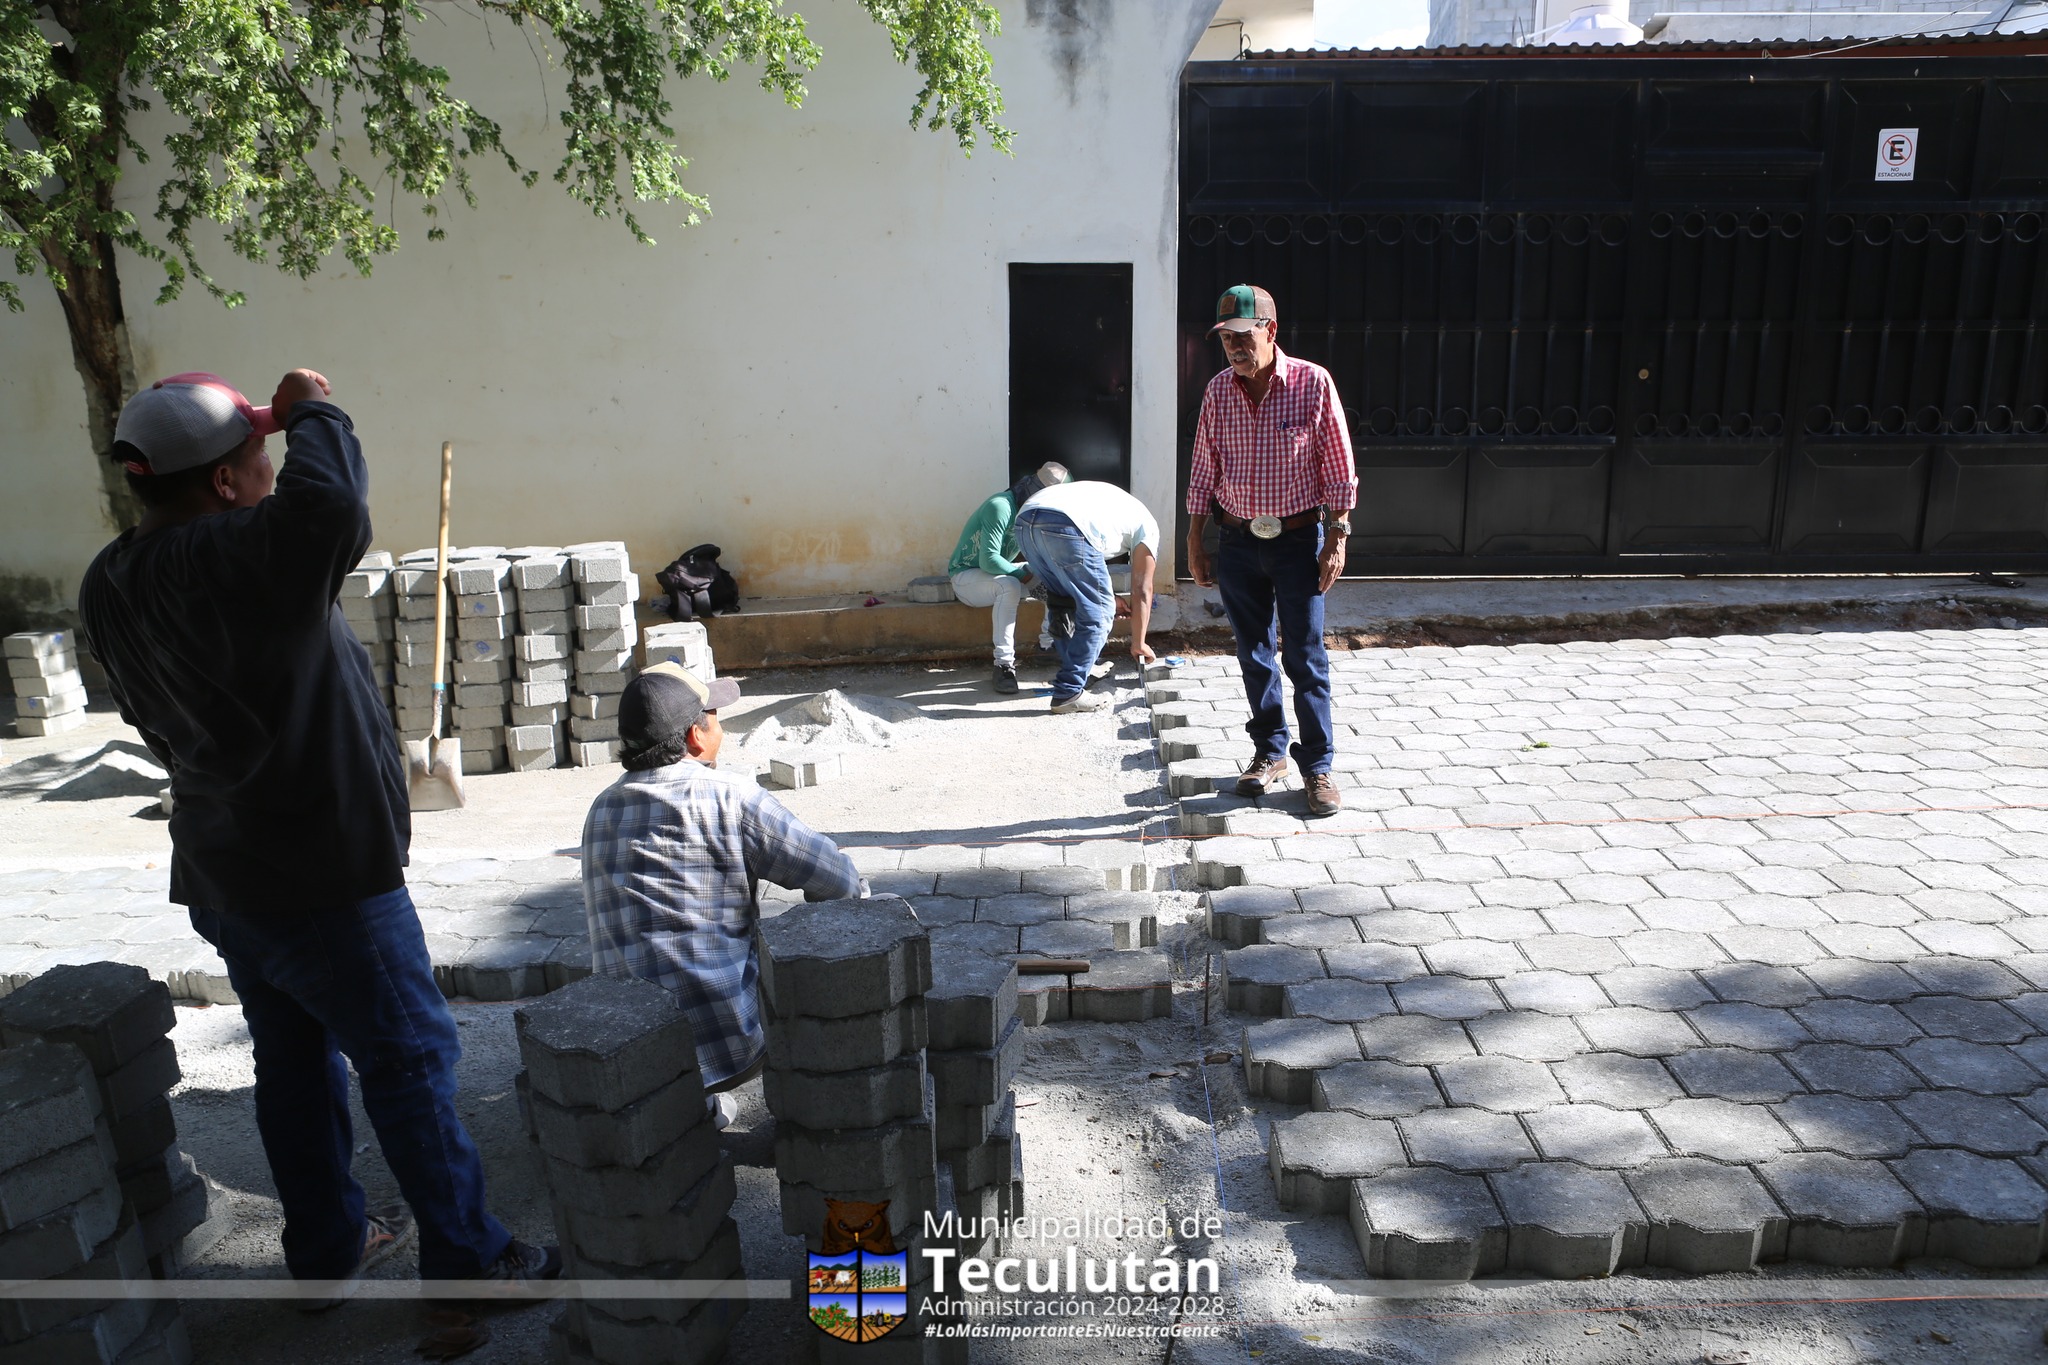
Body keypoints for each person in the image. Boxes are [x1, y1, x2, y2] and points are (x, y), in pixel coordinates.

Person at [76, 370, 554, 1297]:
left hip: (224, 869)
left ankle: (328, 1247)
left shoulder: (110, 578)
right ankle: (469, 1257)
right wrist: (314, 407)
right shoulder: (244, 553)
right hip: (323, 879)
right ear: (224, 482)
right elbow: (331, 502)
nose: (271, 468)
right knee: (408, 1058)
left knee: (293, 1062)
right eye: (260, 452)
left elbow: (146, 715)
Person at [581, 664, 864, 1127]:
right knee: (843, 930)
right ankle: (827, 1100)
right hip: (729, 1043)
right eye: (715, 718)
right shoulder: (730, 795)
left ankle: (688, 1107)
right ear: (695, 736)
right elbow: (840, 883)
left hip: (627, 1045)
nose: (722, 729)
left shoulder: (601, 808)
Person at [1184, 284, 1358, 818]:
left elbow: (1338, 465)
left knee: (1305, 654)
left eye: (1244, 336)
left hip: (1299, 541)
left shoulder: (1312, 382)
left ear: (1270, 331)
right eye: (1226, 339)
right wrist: (1195, 539)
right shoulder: (1218, 391)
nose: (1235, 348)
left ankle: (1318, 766)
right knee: (1252, 652)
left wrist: (1337, 537)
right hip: (1237, 542)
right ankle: (1269, 751)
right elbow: (1204, 467)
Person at [1012, 480, 1160, 714]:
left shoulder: (1118, 510)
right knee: (1100, 614)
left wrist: (1108, 596)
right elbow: (1142, 589)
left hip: (1026, 521)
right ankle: (1069, 691)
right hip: (1067, 523)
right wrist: (1139, 643)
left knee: (1062, 602)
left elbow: (1079, 579)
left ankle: (1080, 669)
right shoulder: (1149, 529)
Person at [948, 461, 1070, 693]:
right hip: (965, 577)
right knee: (1010, 585)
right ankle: (1003, 665)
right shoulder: (1000, 506)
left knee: (1053, 571)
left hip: (996, 574)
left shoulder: (1032, 511)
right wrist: (1027, 579)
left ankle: (1048, 645)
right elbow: (989, 560)